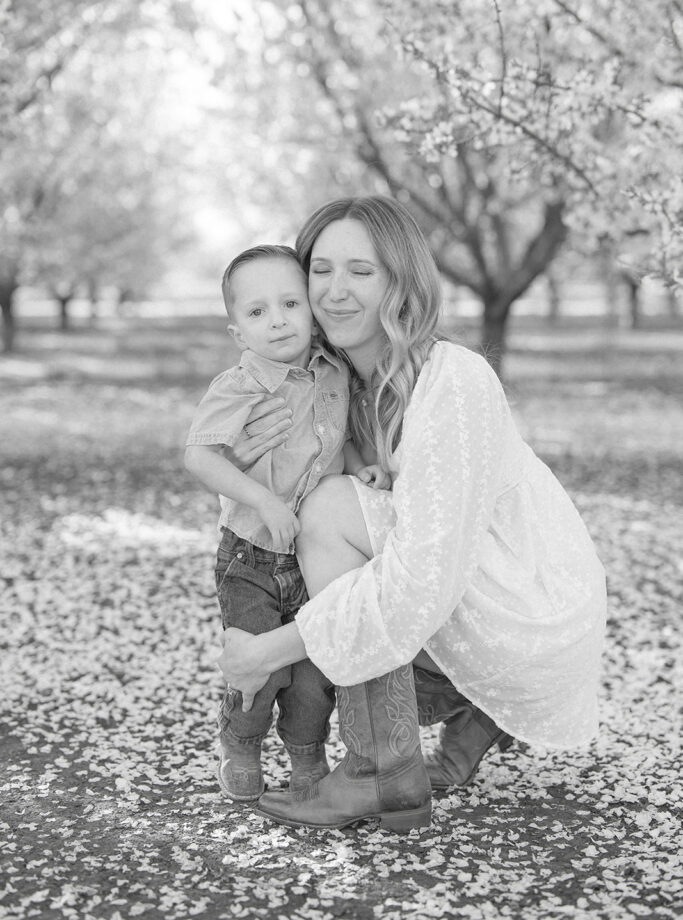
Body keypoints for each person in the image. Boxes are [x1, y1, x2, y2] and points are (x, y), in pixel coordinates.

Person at [217, 197, 607, 832]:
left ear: (400, 282)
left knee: (331, 509)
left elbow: (421, 582)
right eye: (320, 270)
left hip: (532, 613)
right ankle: (465, 714)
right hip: (463, 596)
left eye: (361, 272)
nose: (334, 292)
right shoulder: (337, 384)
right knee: (314, 523)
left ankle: (380, 769)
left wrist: (268, 651)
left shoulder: (454, 381)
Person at [185, 244, 390, 803]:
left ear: (309, 307)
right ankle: (241, 743)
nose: (277, 320)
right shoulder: (240, 386)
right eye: (257, 312)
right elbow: (199, 456)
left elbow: (335, 437)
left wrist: (359, 468)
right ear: (238, 333)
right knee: (261, 668)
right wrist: (266, 501)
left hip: (311, 553)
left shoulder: (332, 372)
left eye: (289, 303)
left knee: (312, 674)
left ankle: (307, 755)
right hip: (251, 554)